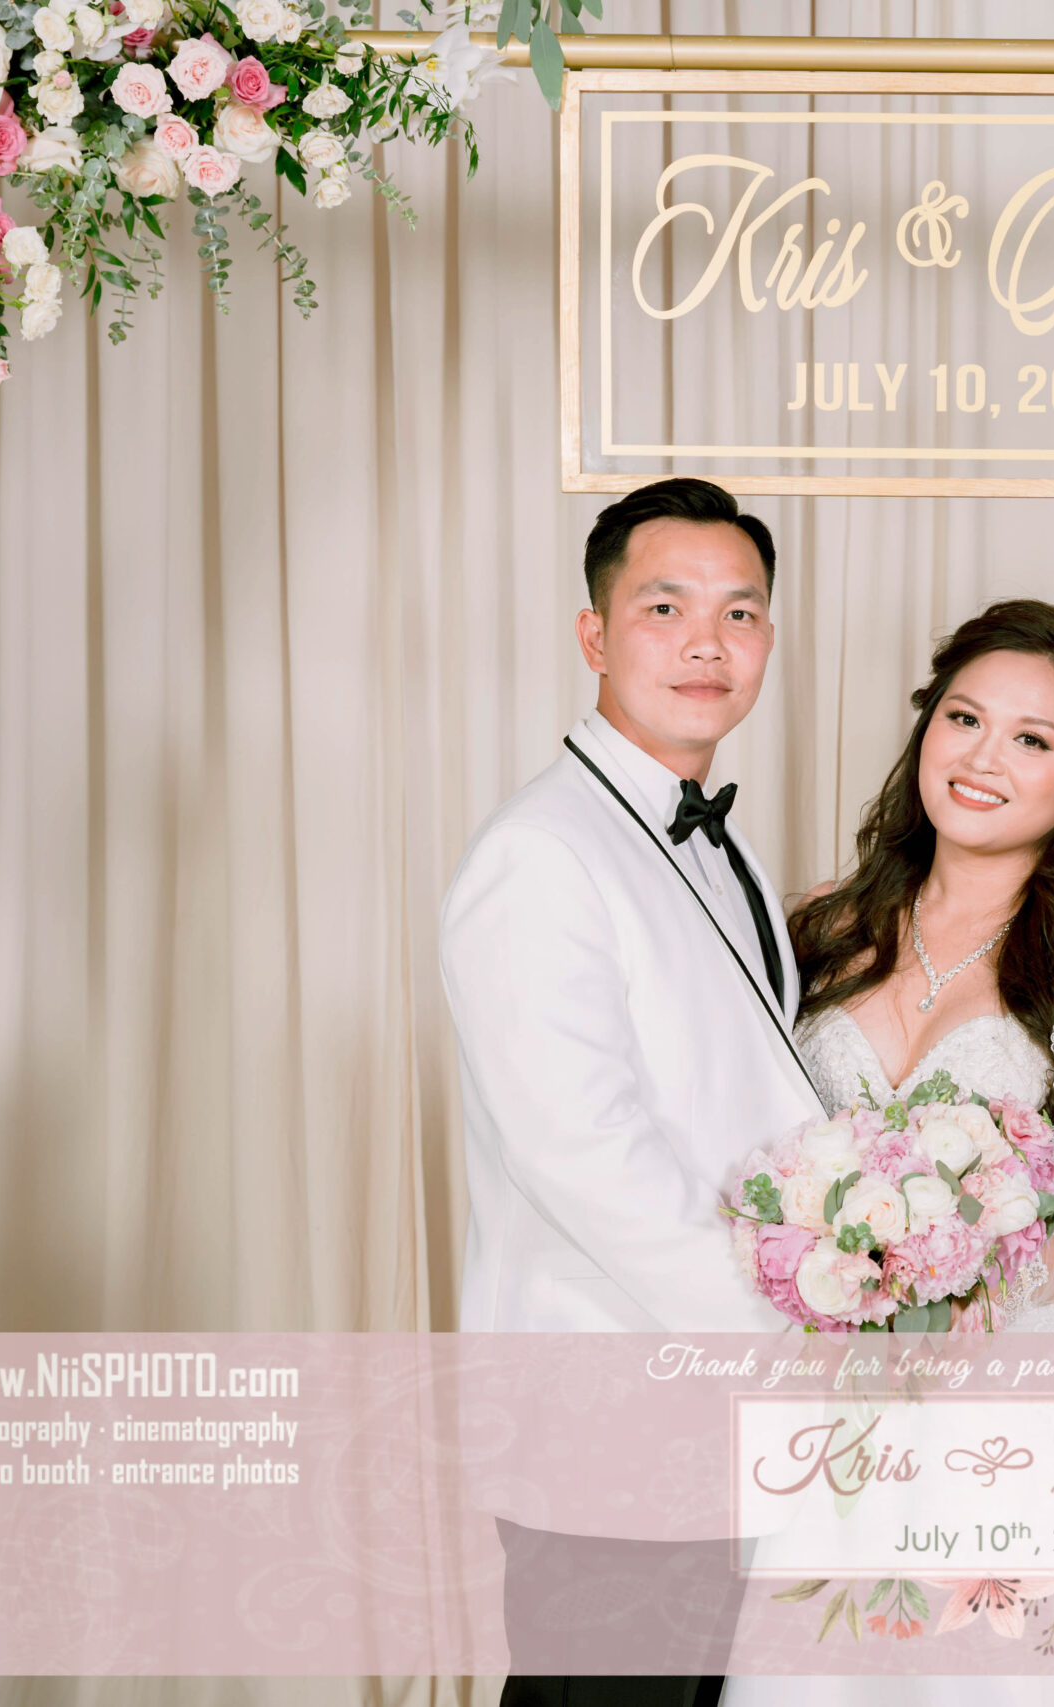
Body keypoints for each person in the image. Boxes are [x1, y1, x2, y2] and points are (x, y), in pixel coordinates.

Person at [722, 599, 1054, 1707]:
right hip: (850, 1401)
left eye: (1032, 738)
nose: (983, 758)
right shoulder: (816, 926)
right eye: (964, 719)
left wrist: (978, 1282)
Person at [441, 477, 822, 1707]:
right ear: (594, 635)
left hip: (723, 1428)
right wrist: (799, 1347)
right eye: (666, 608)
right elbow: (584, 1155)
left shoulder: (715, 839)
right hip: (607, 1424)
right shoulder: (539, 853)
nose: (707, 643)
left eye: (739, 613)